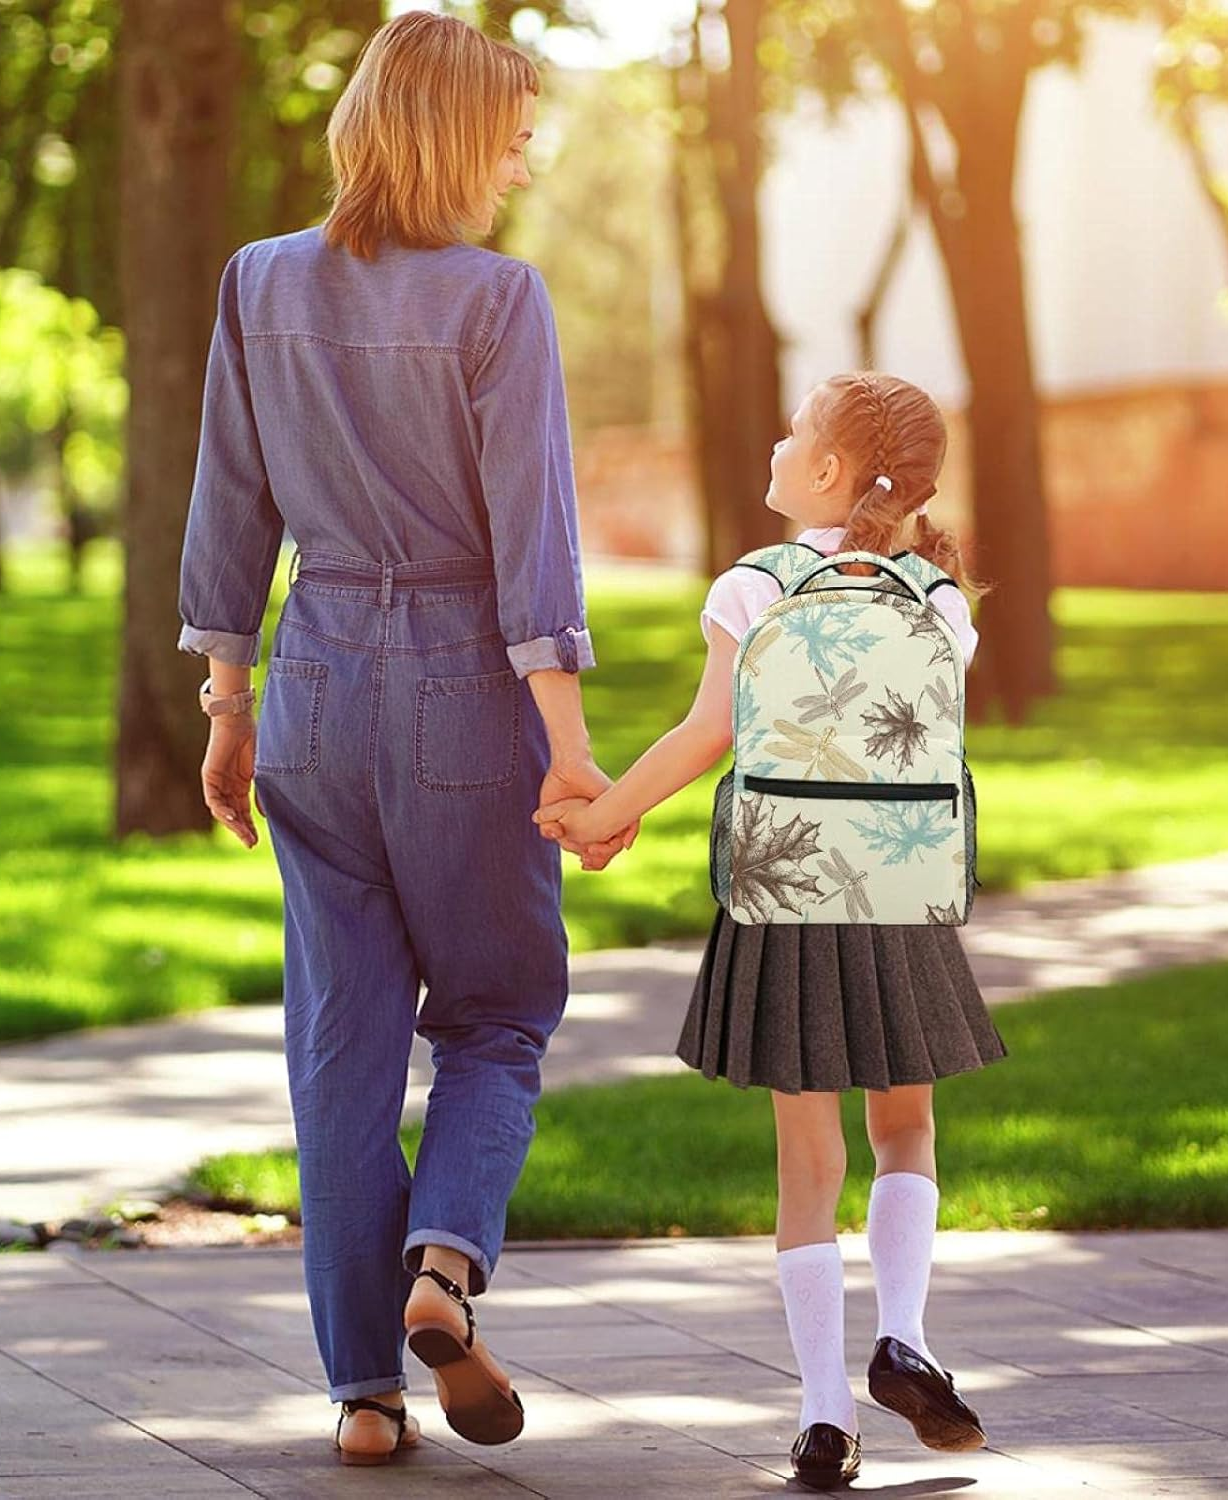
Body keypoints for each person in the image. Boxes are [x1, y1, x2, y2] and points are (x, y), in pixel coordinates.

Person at [176, 12, 633, 1467]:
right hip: (462, 689)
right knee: (499, 1014)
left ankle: (363, 1394)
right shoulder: (501, 301)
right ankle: (445, 1268)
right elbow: (532, 548)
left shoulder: (258, 284)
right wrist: (569, 749)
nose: (519, 157)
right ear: (448, 135)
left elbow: (229, 507)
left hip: (311, 682)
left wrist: (228, 705)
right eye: (507, 132)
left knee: (343, 1044)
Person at [535, 372, 1007, 1491]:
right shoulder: (940, 595)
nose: (777, 443)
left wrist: (605, 815)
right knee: (906, 1131)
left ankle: (824, 1416)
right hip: (900, 891)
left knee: (809, 1163)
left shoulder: (755, 586)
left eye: (794, 432)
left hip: (783, 889)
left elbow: (709, 731)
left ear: (831, 472)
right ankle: (907, 1335)